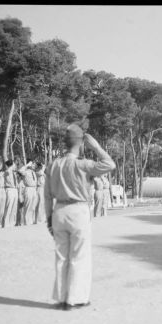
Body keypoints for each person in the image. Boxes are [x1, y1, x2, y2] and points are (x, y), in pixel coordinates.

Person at [44, 126, 115, 309]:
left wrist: (49, 218)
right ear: (82, 143)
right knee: (79, 256)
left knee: (61, 256)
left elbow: (46, 195)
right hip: (78, 211)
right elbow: (110, 164)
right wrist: (97, 148)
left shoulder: (54, 164)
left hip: (59, 210)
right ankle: (74, 299)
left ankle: (61, 298)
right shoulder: (84, 164)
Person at [18, 160, 38, 225]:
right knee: (28, 205)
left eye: (34, 165)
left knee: (33, 206)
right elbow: (20, 171)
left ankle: (31, 221)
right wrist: (27, 165)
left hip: (34, 189)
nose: (34, 166)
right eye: (33, 164)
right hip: (28, 188)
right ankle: (26, 222)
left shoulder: (34, 172)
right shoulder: (26, 172)